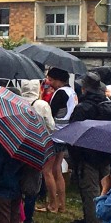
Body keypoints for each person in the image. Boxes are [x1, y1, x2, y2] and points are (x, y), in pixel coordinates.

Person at [69, 73, 111, 223]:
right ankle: (98, 222)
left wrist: (75, 158)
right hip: (106, 154)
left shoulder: (83, 108)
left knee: (90, 191)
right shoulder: (109, 106)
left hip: (87, 156)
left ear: (84, 88)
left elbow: (73, 133)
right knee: (104, 189)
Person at [21, 80, 57, 217]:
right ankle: (29, 213)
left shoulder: (16, 101)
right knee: (34, 177)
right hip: (37, 144)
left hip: (20, 143)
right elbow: (51, 125)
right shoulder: (42, 105)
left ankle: (18, 208)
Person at [45, 67, 77, 213]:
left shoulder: (60, 93)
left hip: (55, 134)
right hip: (66, 134)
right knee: (57, 169)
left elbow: (51, 113)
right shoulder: (72, 92)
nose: (49, 83)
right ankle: (62, 205)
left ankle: (53, 204)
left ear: (59, 80)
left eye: (51, 80)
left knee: (47, 170)